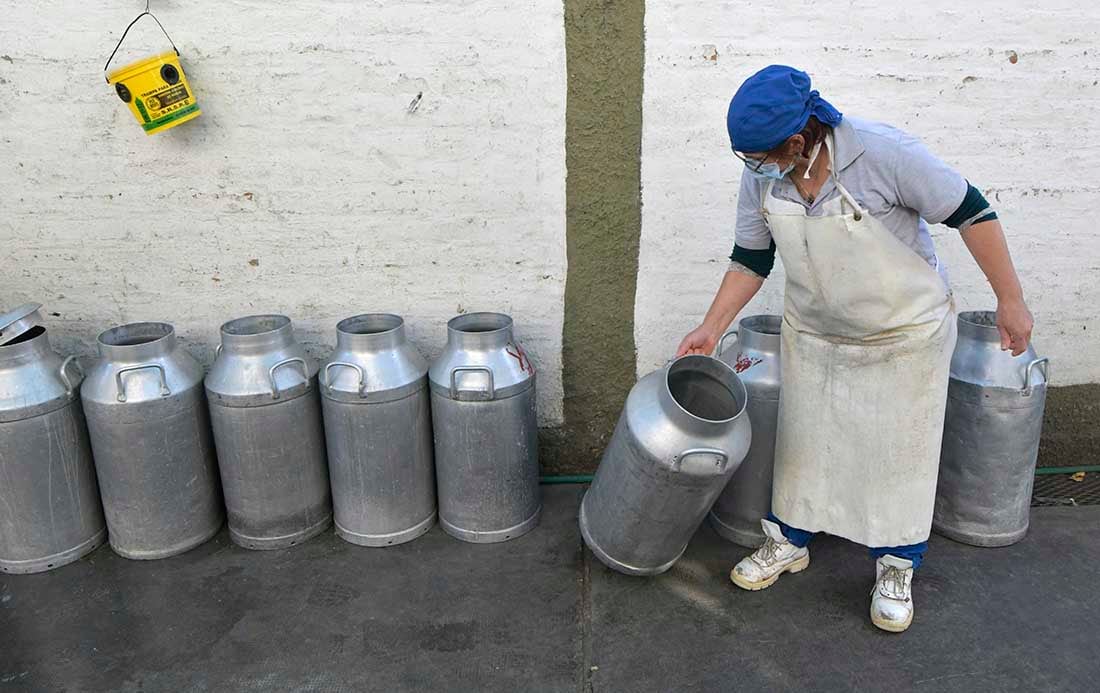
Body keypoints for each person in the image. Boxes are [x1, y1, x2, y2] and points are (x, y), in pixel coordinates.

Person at [676, 65, 1033, 633]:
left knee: (899, 458)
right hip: (817, 333)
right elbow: (752, 257)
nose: (753, 167)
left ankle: (896, 564)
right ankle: (789, 540)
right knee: (804, 449)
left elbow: (973, 212)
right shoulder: (766, 176)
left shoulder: (883, 153)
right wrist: (712, 326)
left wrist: (1009, 299)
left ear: (798, 139)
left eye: (759, 155)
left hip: (903, 336)